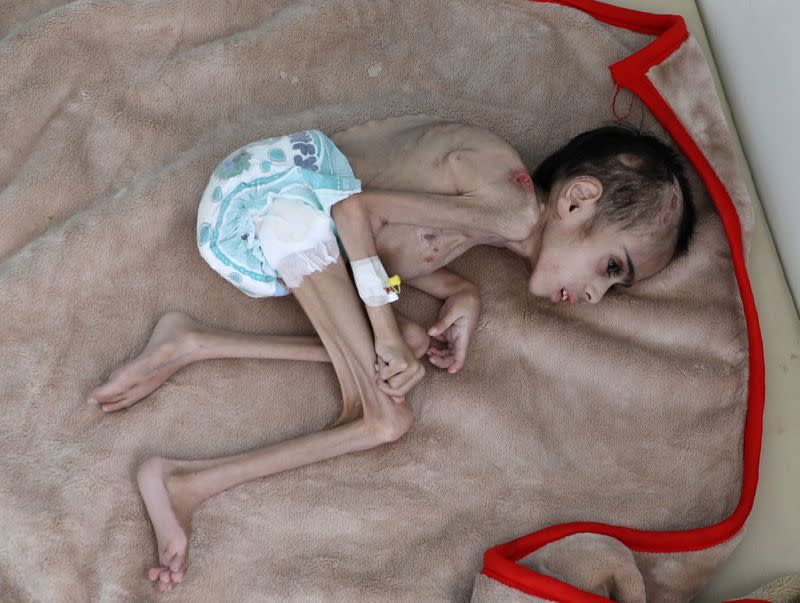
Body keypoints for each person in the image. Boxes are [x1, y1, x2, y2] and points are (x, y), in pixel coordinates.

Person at [86, 116, 695, 592]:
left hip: (285, 215)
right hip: (270, 199)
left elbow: (390, 242)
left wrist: (460, 291)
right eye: (611, 267)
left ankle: (192, 342)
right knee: (385, 415)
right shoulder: (510, 211)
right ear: (577, 199)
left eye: (615, 288)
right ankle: (184, 480)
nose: (595, 295)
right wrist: (381, 329)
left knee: (404, 348)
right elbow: (356, 210)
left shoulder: (497, 216)